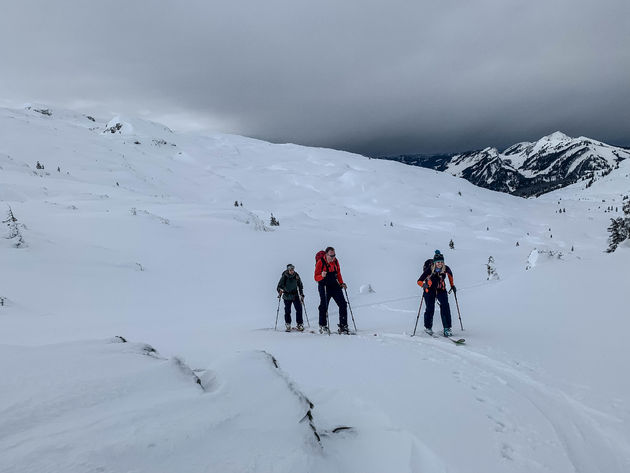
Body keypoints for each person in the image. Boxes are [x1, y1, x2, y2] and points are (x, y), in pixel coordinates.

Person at [417, 250, 457, 337]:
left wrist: (452, 285)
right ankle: (428, 327)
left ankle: (447, 328)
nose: (440, 264)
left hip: (441, 289)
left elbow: (450, 276)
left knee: (445, 305)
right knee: (430, 307)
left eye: (441, 262)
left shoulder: (446, 268)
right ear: (435, 262)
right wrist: (424, 285)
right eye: (438, 262)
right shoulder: (429, 269)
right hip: (429, 290)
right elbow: (419, 281)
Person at [314, 247, 348, 334]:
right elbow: (315, 277)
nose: (333, 257)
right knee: (324, 306)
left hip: (334, 285)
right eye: (331, 255)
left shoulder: (336, 261)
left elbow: (338, 273)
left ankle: (343, 326)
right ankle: (323, 326)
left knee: (343, 304)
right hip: (324, 286)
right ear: (326, 254)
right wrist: (322, 275)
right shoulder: (320, 262)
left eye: (334, 255)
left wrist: (341, 283)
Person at [277, 264, 304, 332]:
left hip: (295, 295)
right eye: (290, 270)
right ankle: (288, 324)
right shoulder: (284, 277)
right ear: (288, 270)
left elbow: (300, 286)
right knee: (287, 311)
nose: (292, 271)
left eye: (293, 269)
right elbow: (279, 286)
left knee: (299, 309)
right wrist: (280, 291)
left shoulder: (296, 276)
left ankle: (300, 324)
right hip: (287, 296)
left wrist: (301, 294)